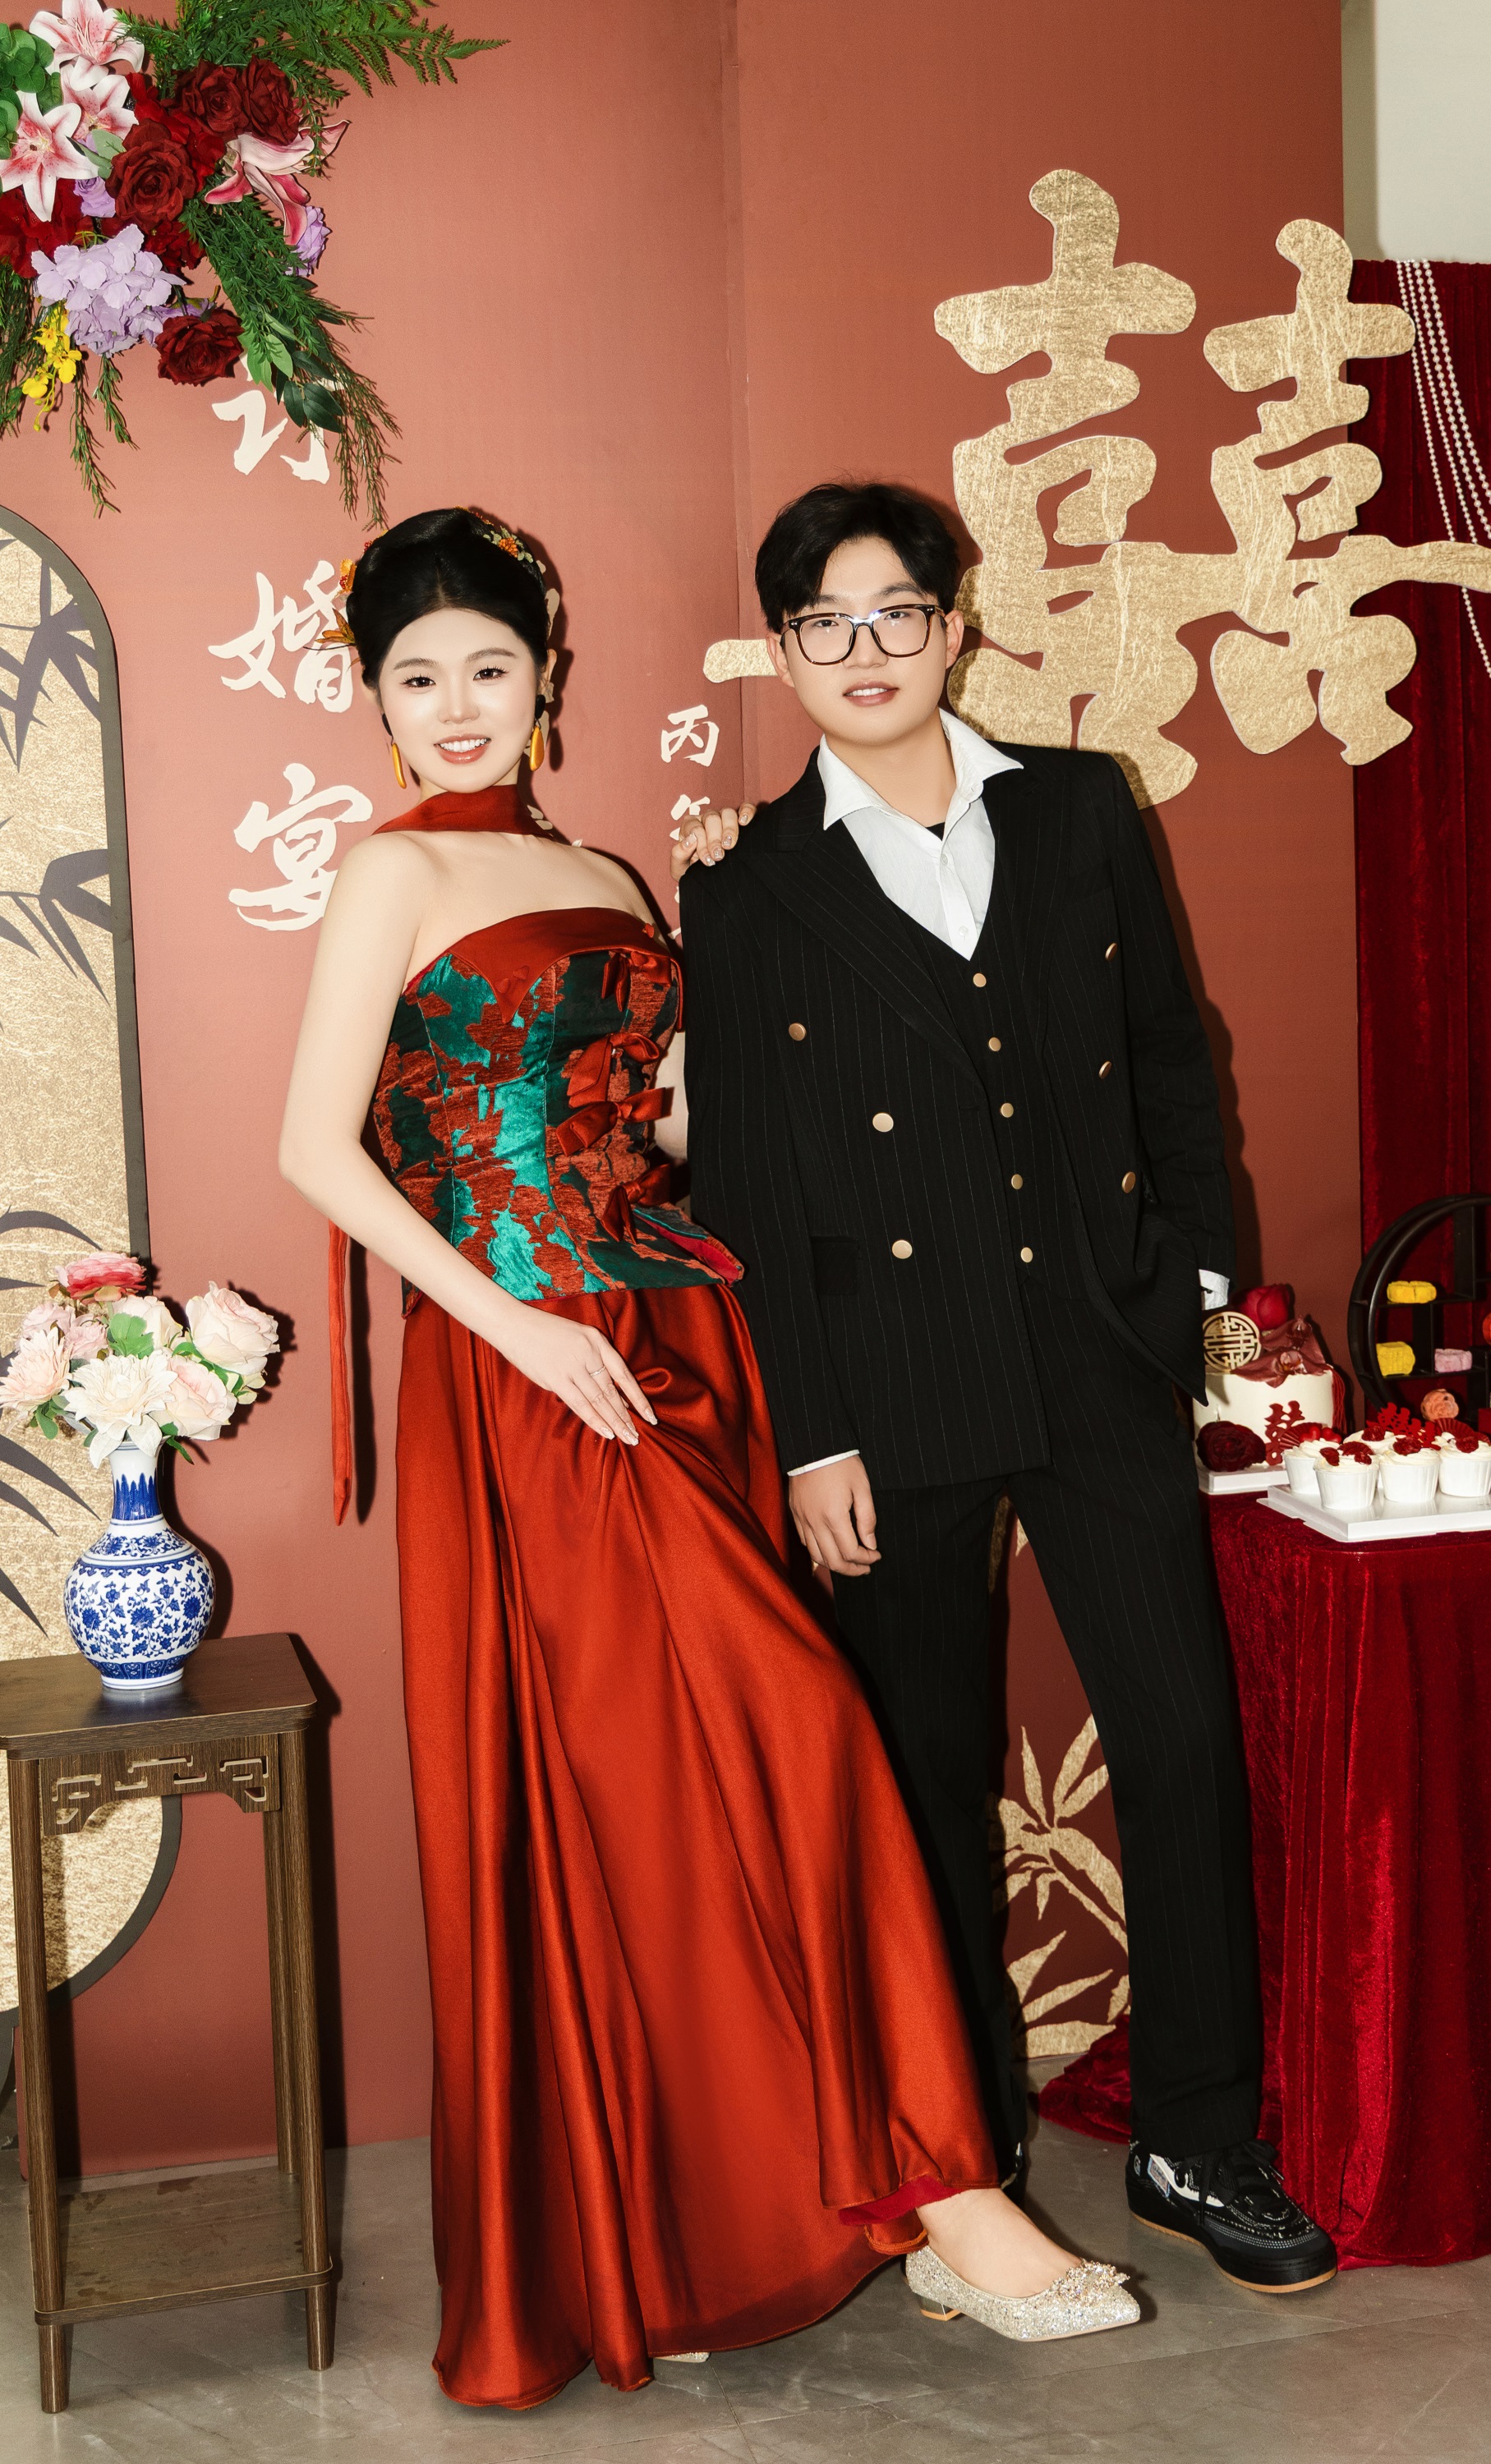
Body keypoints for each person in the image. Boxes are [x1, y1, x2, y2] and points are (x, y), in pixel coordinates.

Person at [278, 508, 1138, 2411]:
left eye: (490, 665)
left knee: (679, 1798)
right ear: (373, 700)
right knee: (784, 1739)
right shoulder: (389, 874)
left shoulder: (602, 871)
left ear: (547, 677)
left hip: (676, 1349)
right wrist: (519, 1332)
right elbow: (315, 1150)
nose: (456, 705)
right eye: (417, 677)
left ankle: (700, 2225)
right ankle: (950, 2201)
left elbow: (677, 1117)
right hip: (530, 1381)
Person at [675, 480, 1337, 2296]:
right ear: (784, 653)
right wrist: (810, 1429)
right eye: (824, 623)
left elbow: (1171, 1055)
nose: (865, 651)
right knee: (926, 1780)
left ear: (953, 627)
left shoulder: (1077, 807)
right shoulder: (746, 886)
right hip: (888, 1393)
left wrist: (1196, 1292)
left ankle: (1199, 2139)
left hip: (1100, 1350)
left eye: (895, 612)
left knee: (1181, 1745)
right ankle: (964, 2152)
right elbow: (749, 1185)